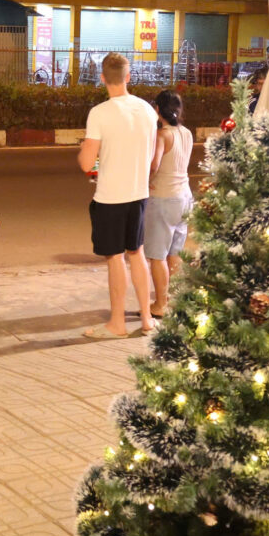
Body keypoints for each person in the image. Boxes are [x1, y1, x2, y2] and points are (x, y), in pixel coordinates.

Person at [78, 52, 157, 339]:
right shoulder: (147, 110)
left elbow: (87, 163)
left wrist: (85, 153)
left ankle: (117, 323)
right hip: (139, 193)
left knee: (115, 258)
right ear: (128, 76)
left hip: (110, 197)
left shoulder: (100, 113)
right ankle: (147, 318)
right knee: (137, 253)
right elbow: (152, 157)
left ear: (102, 78)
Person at [144, 90, 194, 321]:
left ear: (158, 109)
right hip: (185, 196)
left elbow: (154, 165)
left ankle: (160, 304)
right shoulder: (187, 133)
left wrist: (147, 181)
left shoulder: (163, 135)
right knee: (175, 252)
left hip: (164, 197)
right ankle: (173, 299)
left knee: (157, 255)